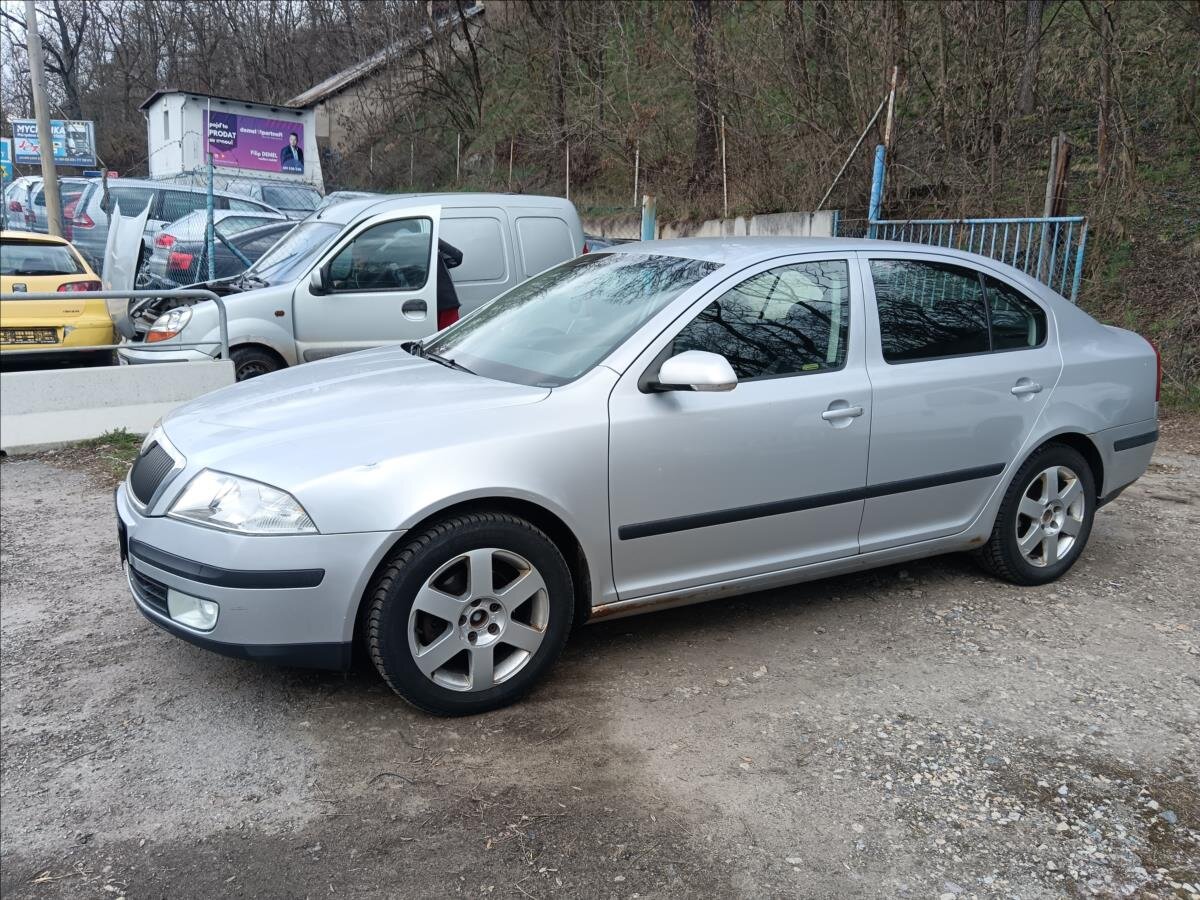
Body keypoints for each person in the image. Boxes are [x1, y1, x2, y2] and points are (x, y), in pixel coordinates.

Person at [436, 238, 463, 330]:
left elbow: (457, 257)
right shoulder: (428, 242)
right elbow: (457, 257)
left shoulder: (394, 249)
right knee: (449, 341)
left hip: (444, 304)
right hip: (445, 302)